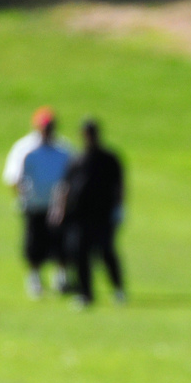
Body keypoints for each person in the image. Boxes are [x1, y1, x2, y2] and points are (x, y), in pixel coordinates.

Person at [51, 118, 125, 307]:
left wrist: (119, 209)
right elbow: (65, 186)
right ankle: (86, 294)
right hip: (78, 215)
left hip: (102, 214)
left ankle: (118, 290)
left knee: (106, 252)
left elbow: (119, 186)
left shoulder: (109, 159)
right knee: (79, 253)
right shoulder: (77, 159)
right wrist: (59, 209)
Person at [2, 107, 73, 299]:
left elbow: (72, 176)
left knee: (60, 243)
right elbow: (13, 177)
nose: (48, 130)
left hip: (57, 206)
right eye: (45, 127)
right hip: (34, 204)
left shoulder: (63, 149)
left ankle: (61, 278)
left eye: (51, 127)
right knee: (34, 244)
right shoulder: (25, 148)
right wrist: (20, 196)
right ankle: (35, 279)